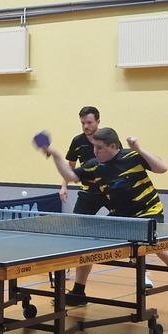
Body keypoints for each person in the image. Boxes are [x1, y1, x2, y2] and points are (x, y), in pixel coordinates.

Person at [36, 127, 168, 310]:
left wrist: (139, 149)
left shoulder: (132, 157)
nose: (95, 151)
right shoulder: (94, 165)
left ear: (113, 146)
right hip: (122, 217)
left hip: (148, 213)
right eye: (94, 147)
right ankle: (78, 293)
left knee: (160, 249)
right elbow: (70, 176)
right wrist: (55, 154)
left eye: (100, 148)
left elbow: (162, 168)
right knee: (88, 242)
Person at [58, 107, 152, 296]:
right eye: (83, 123)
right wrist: (64, 186)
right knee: (77, 234)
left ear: (98, 122)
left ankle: (143, 274)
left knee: (134, 231)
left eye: (89, 122)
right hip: (89, 193)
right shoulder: (77, 141)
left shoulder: (107, 140)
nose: (86, 126)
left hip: (110, 191)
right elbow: (71, 167)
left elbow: (120, 161)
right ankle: (73, 277)